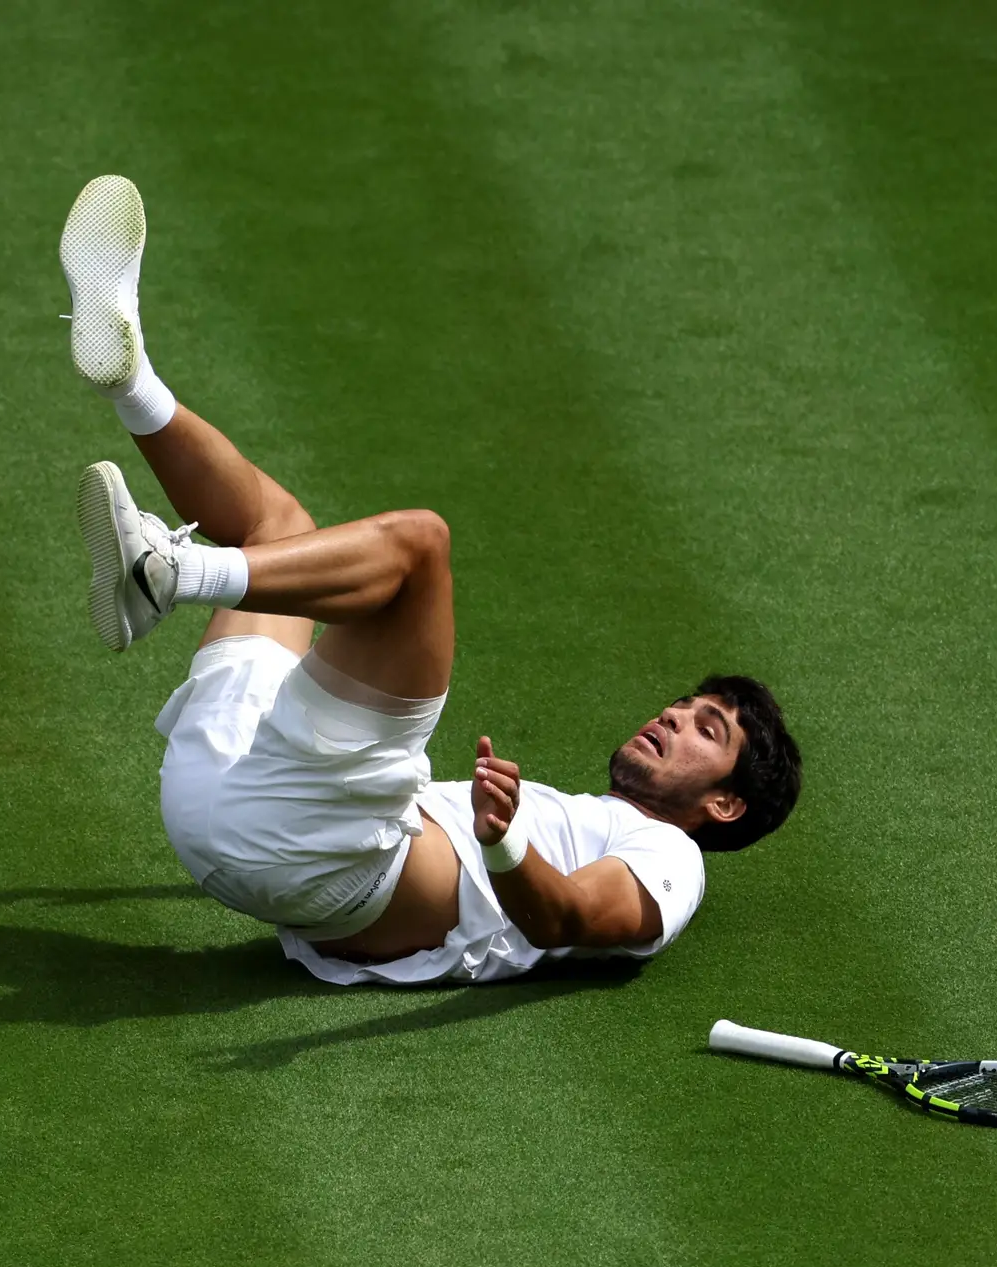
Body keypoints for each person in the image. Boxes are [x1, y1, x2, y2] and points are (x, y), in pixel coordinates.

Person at [60, 176, 802, 985]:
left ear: (724, 806)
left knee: (420, 549)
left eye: (707, 730)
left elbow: (573, 920)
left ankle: (171, 573)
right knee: (283, 534)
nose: (673, 716)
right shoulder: (590, 817)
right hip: (225, 799)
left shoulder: (671, 860)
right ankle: (129, 379)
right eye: (689, 706)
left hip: (315, 858)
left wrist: (503, 840)